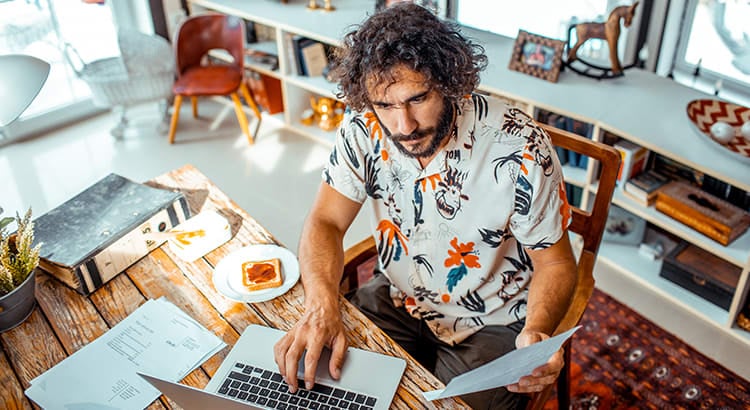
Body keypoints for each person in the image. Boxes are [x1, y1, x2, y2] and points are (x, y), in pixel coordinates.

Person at [273, 3, 577, 408]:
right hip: (398, 296)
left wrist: (538, 330)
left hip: (492, 319)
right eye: (385, 105)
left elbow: (556, 263)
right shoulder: (362, 128)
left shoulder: (519, 147)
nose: (404, 126)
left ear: (450, 80)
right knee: (321, 389)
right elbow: (326, 220)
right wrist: (322, 304)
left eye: (418, 98)